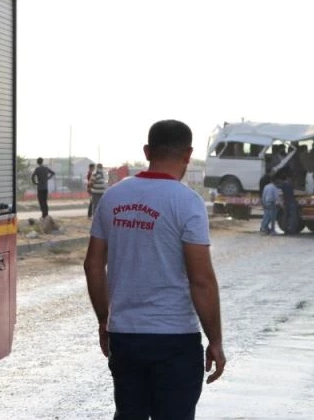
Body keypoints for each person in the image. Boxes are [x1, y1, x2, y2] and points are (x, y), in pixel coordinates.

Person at [83, 119, 226, 420]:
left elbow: (93, 264)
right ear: (188, 155)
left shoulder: (113, 197)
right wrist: (215, 340)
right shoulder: (187, 203)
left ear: (147, 151)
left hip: (125, 335)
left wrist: (104, 320)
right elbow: (201, 280)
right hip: (174, 338)